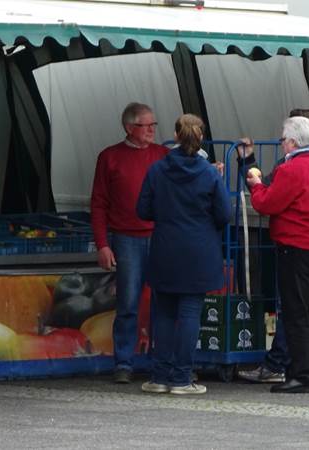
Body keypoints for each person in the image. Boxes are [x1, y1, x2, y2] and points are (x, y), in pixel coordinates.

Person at [237, 110, 309, 385]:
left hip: (297, 250)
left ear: (292, 142)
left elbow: (267, 204)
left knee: (296, 314)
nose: (281, 144)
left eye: (282, 140)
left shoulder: (290, 170)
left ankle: (301, 375)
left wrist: (255, 184)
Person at [137, 113, 231, 395]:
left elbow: (142, 210)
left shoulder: (156, 169)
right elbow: (224, 214)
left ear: (176, 136)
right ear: (200, 138)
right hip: (199, 251)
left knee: (163, 313)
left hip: (165, 248)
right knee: (190, 313)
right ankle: (181, 378)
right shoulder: (210, 173)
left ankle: (159, 376)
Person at [90, 102, 168, 384]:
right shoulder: (109, 157)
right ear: (128, 128)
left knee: (163, 302)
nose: (150, 131)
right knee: (128, 304)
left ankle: (163, 360)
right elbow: (98, 203)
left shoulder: (163, 155)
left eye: (152, 125)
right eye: (144, 126)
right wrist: (103, 244)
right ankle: (124, 362)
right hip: (125, 239)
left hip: (158, 237)